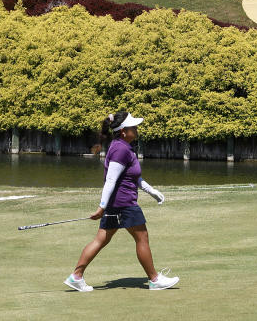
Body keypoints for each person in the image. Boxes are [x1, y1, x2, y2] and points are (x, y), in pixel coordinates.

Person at [64, 110, 179, 292]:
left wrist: (152, 191)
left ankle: (76, 277)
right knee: (142, 237)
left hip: (117, 204)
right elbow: (110, 179)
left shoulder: (123, 147)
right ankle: (154, 279)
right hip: (124, 204)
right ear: (123, 131)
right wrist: (101, 207)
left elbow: (133, 177)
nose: (136, 128)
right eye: (133, 126)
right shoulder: (120, 149)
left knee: (101, 239)